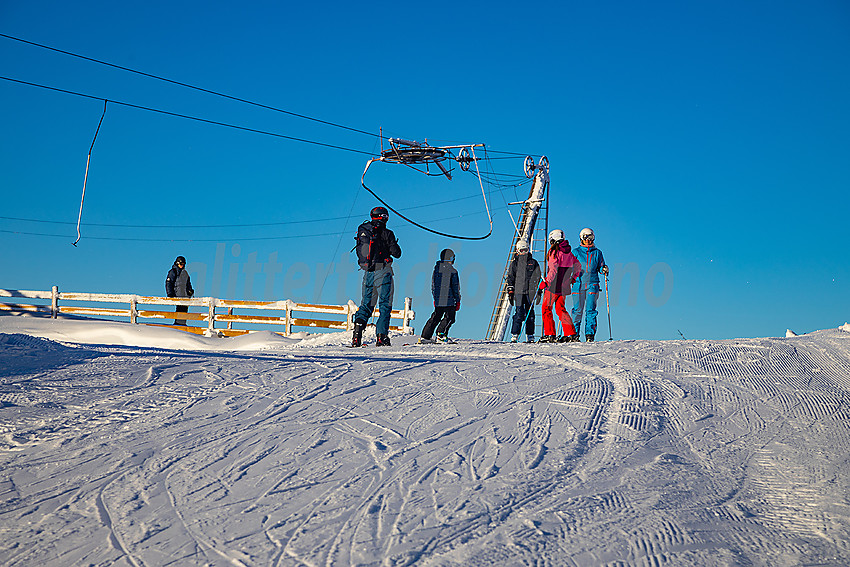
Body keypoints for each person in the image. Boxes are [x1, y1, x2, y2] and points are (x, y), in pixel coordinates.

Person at [352, 206, 402, 347]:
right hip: (383, 271)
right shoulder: (387, 233)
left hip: (368, 272)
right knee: (385, 305)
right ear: (384, 217)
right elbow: (397, 253)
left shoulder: (365, 231)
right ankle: (381, 337)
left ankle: (356, 336)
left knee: (366, 305)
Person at [538, 229, 581, 343]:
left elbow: (553, 270)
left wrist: (547, 282)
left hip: (553, 286)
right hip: (564, 286)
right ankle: (571, 333)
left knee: (546, 309)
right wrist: (573, 278)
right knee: (560, 309)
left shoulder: (554, 252)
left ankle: (550, 334)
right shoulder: (568, 252)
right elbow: (578, 265)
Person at [571, 227, 608, 342]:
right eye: (586, 238)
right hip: (578, 284)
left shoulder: (597, 253)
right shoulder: (576, 252)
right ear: (581, 238)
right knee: (577, 310)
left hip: (593, 284)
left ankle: (589, 334)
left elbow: (601, 266)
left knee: (590, 309)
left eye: (591, 238)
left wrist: (604, 269)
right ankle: (574, 334)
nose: (588, 240)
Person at [419, 249, 461, 344]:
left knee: (436, 317)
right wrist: (457, 300)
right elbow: (455, 287)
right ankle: (441, 334)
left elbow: (433, 285)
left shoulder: (436, 270)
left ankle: (425, 336)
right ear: (450, 258)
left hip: (438, 299)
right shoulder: (452, 271)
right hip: (450, 299)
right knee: (450, 318)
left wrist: (435, 298)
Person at [506, 240, 541, 343]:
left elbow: (538, 277)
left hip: (530, 292)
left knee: (530, 314)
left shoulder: (533, 263)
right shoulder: (515, 264)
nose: (524, 253)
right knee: (519, 313)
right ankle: (515, 335)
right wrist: (511, 291)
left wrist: (539, 291)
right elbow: (510, 278)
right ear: (517, 251)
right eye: (522, 251)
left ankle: (530, 336)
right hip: (519, 292)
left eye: (525, 250)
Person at [165, 256, 194, 325]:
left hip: (185, 296)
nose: (182, 266)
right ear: (177, 263)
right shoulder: (173, 272)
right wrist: (170, 293)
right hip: (177, 295)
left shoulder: (185, 273)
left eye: (183, 264)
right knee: (179, 310)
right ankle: (178, 325)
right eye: (181, 264)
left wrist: (190, 291)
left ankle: (182, 325)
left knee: (184, 311)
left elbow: (188, 284)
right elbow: (169, 283)